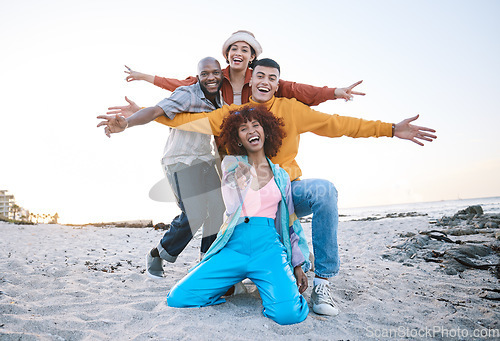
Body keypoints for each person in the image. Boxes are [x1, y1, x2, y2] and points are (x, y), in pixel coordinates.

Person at [97, 58, 437, 316]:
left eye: (273, 78)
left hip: (287, 190)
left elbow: (342, 125)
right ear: (250, 80)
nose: (266, 81)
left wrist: (392, 129)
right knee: (222, 231)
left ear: (277, 84)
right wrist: (135, 115)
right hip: (247, 202)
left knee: (324, 192)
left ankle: (323, 284)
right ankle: (240, 276)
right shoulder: (234, 114)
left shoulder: (293, 110)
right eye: (260, 75)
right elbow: (184, 119)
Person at [167, 105, 310, 325]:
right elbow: (231, 183)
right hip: (234, 246)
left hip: (269, 247)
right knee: (179, 297)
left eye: (256, 125)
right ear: (238, 138)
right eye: (243, 128)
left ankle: (271, 286)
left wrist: (298, 265)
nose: (251, 130)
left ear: (266, 131)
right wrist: (240, 175)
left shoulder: (281, 175)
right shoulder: (231, 164)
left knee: (288, 314)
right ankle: (234, 286)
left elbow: (291, 224)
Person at [99, 57, 227, 279]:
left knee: (217, 207)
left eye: (215, 72)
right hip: (180, 159)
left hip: (205, 159)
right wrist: (127, 123)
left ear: (222, 74)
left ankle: (207, 260)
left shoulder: (222, 100)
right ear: (198, 76)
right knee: (195, 214)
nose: (210, 77)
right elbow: (155, 111)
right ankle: (158, 253)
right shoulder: (187, 94)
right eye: (204, 73)